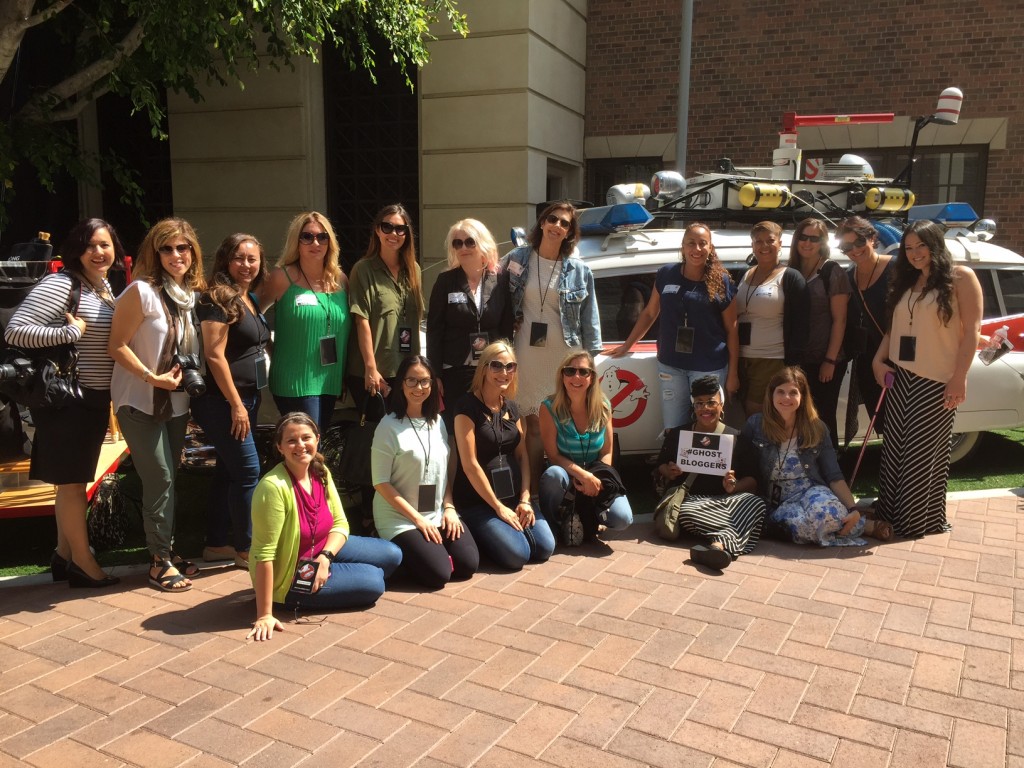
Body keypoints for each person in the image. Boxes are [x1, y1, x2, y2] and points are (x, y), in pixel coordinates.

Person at [5, 218, 126, 588]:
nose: (99, 252)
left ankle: (63, 555)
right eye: (90, 245)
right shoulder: (62, 283)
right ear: (76, 250)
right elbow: (15, 330)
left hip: (89, 399)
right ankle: (84, 564)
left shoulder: (101, 285)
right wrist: (70, 331)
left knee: (71, 484)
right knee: (73, 485)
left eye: (105, 245)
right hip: (67, 402)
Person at [109, 218, 206, 592]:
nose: (176, 255)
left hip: (177, 402)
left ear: (193, 253)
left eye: (183, 248)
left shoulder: (191, 296)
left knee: (169, 477)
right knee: (159, 476)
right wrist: (153, 377)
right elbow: (116, 345)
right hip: (140, 399)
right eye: (167, 248)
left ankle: (166, 549)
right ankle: (158, 561)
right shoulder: (141, 292)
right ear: (155, 252)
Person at [246, 412, 403, 641]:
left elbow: (340, 523)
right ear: (279, 447)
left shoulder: (319, 471)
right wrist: (265, 615)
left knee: (392, 554)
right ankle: (296, 596)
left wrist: (325, 557)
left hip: (321, 548)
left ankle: (340, 574)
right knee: (373, 581)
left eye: (306, 438)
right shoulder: (272, 488)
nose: (300, 445)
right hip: (292, 574)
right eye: (291, 440)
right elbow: (264, 554)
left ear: (317, 439)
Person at [871, 220, 983, 537]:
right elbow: (895, 329)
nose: (915, 253)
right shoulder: (908, 281)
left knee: (923, 454)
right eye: (909, 247)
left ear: (935, 243)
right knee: (896, 449)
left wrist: (959, 379)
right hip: (902, 376)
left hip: (937, 378)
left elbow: (972, 331)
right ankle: (890, 517)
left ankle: (918, 521)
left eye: (921, 245)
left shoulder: (961, 277)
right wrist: (878, 360)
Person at [501, 201, 601, 495]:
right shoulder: (517, 258)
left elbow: (590, 320)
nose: (558, 226)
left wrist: (590, 363)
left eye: (565, 223)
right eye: (553, 219)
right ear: (542, 223)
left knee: (563, 424)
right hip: (526, 353)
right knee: (531, 425)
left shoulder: (580, 271)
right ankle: (530, 491)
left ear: (570, 232)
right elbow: (492, 288)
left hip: (564, 356)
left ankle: (564, 488)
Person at [741, 367, 892, 546]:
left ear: (802, 397)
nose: (786, 398)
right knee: (800, 527)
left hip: (810, 491)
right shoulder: (756, 424)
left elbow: (833, 476)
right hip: (777, 500)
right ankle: (864, 526)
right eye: (780, 392)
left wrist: (853, 508)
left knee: (829, 514)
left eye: (793, 393)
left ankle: (851, 518)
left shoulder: (817, 428)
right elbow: (744, 466)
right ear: (771, 395)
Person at [609, 222, 739, 428]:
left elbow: (732, 329)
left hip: (708, 366)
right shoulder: (666, 274)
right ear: (683, 246)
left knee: (706, 428)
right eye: (691, 243)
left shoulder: (722, 282)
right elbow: (650, 313)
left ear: (710, 248)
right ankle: (673, 461)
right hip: (671, 365)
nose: (696, 249)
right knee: (673, 427)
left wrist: (732, 374)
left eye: (702, 243)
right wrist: (627, 345)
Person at [192, 234, 271, 569]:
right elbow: (214, 354)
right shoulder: (217, 298)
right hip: (223, 401)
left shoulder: (247, 297)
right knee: (248, 471)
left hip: (247, 397)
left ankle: (217, 543)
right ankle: (246, 548)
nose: (246, 265)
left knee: (228, 470)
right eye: (239, 258)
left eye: (252, 258)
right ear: (225, 260)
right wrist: (236, 404)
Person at [371, 355, 479, 588]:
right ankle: (393, 553)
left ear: (433, 384)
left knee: (468, 563)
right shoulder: (388, 426)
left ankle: (426, 552)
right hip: (401, 517)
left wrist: (448, 508)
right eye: (412, 381)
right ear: (401, 383)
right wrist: (418, 520)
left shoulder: (437, 422)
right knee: (439, 574)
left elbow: (441, 475)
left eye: (425, 381)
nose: (418, 388)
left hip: (436, 511)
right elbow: (380, 483)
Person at [451, 341, 555, 570]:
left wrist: (525, 499)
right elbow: (470, 465)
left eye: (510, 366)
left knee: (545, 547)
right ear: (484, 369)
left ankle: (502, 531)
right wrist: (498, 507)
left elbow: (522, 457)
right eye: (496, 366)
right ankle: (480, 532)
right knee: (518, 554)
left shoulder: (512, 408)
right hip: (478, 502)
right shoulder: (466, 407)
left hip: (512, 497)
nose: (504, 372)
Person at [654, 375, 765, 570]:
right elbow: (660, 465)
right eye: (699, 404)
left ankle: (718, 546)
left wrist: (734, 486)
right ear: (693, 407)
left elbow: (753, 480)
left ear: (721, 404)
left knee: (755, 503)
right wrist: (670, 472)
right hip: (692, 501)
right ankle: (723, 543)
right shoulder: (679, 435)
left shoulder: (737, 438)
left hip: (726, 501)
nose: (705, 408)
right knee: (685, 513)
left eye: (711, 402)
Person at [260, 212, 349, 434]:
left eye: (322, 237)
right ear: (296, 242)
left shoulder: (341, 280)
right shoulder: (282, 277)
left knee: (315, 446)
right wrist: (271, 349)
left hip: (330, 379)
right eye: (307, 236)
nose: (315, 243)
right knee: (308, 448)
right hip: (294, 381)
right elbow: (252, 316)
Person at [538, 350, 632, 544]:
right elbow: (553, 455)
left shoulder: (604, 405)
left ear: (592, 377)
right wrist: (583, 476)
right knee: (552, 475)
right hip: (565, 472)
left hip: (595, 474)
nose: (576, 377)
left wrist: (596, 481)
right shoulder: (549, 407)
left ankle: (593, 517)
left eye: (583, 372)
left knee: (623, 519)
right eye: (570, 371)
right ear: (562, 376)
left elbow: (606, 451)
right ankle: (553, 523)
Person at [426, 219, 513, 427]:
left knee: (488, 427)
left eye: (469, 242)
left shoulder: (500, 279)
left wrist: (506, 369)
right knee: (456, 429)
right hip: (454, 369)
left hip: (490, 370)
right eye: (457, 243)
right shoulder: (445, 281)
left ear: (482, 243)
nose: (463, 248)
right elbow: (434, 331)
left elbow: (506, 327)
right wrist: (435, 374)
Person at [347, 204, 424, 403]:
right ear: (377, 230)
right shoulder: (363, 269)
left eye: (400, 229)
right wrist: (371, 368)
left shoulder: (413, 270)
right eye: (387, 227)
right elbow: (360, 320)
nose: (394, 233)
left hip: (405, 369)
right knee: (377, 432)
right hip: (374, 371)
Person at [788, 218, 850, 449]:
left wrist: (830, 360)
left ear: (823, 242)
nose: (807, 242)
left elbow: (840, 320)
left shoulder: (832, 272)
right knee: (798, 417)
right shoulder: (790, 270)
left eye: (814, 238)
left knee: (822, 418)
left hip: (824, 359)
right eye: (803, 237)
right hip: (797, 359)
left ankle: (830, 472)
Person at [735, 221, 807, 416]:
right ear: (752, 245)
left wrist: (793, 366)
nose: (764, 246)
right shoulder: (745, 274)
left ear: (780, 244)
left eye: (770, 240)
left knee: (757, 411)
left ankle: (761, 447)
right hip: (740, 358)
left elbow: (802, 324)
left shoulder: (791, 277)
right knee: (743, 411)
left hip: (771, 359)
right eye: (758, 241)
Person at [840, 216, 895, 436]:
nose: (854, 250)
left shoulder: (897, 268)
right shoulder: (847, 277)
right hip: (867, 364)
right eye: (846, 246)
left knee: (904, 425)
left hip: (899, 359)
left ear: (873, 238)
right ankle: (890, 469)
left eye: (859, 242)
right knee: (883, 425)